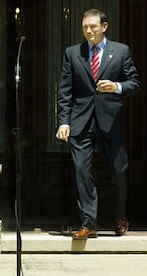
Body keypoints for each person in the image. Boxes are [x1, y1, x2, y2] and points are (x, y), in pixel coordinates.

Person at [56, 9, 140, 240]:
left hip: (111, 121)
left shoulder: (121, 51)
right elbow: (65, 91)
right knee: (82, 171)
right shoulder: (72, 53)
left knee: (118, 171)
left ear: (104, 27)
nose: (89, 31)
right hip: (80, 121)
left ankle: (120, 216)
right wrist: (63, 121)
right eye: (85, 27)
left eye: (93, 26)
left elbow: (134, 83)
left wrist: (116, 87)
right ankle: (88, 223)